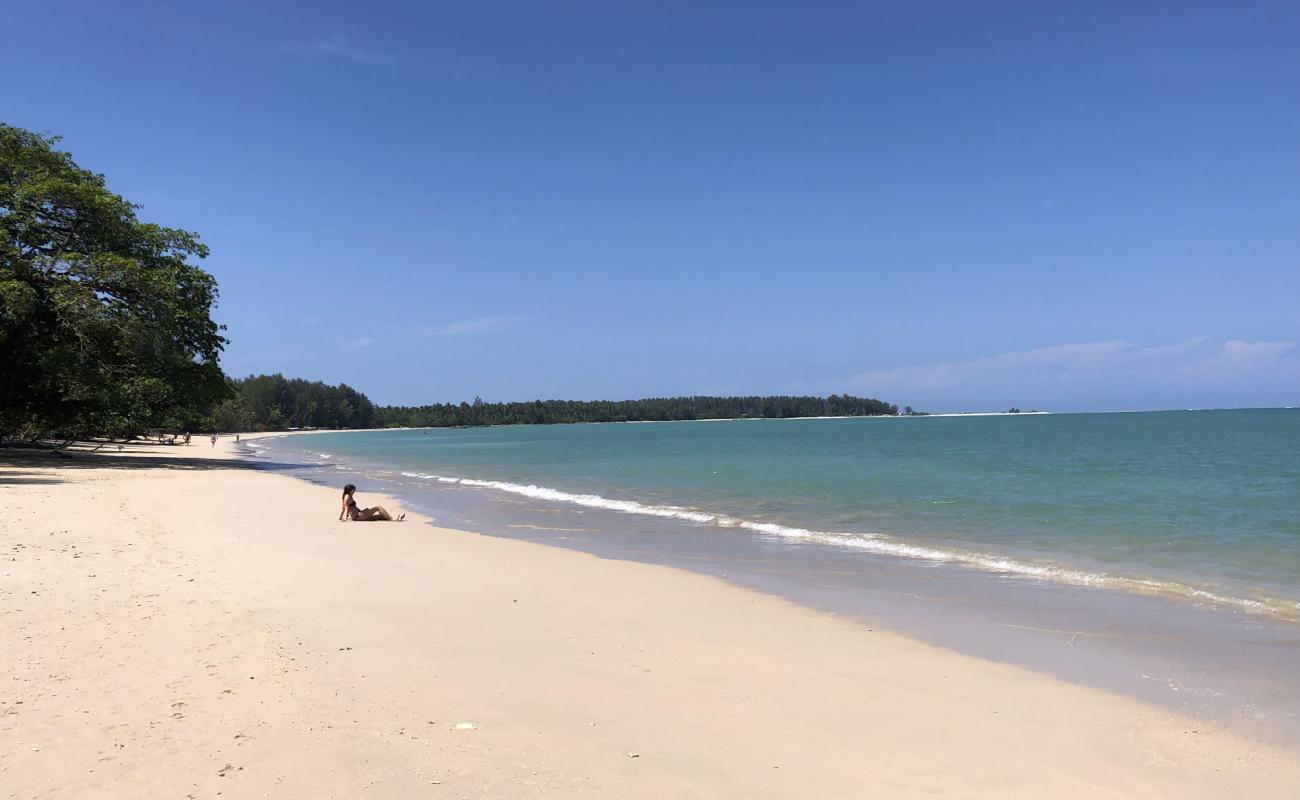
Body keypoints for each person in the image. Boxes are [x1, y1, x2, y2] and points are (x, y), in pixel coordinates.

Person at [339, 484, 405, 522]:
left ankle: (397, 518)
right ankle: (393, 519)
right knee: (378, 507)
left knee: (380, 516)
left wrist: (341, 517)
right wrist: (345, 517)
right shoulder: (347, 496)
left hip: (359, 515)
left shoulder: (346, 496)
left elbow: (344, 507)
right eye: (354, 490)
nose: (355, 491)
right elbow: (345, 506)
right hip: (358, 516)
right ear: (350, 490)